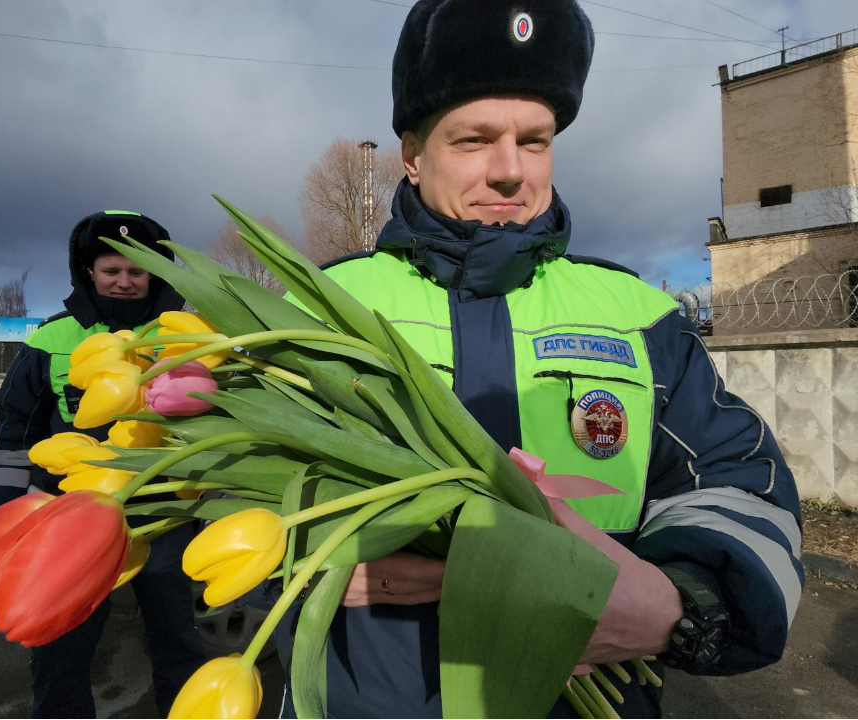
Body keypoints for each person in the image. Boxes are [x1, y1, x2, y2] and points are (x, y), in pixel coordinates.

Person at [273, 2, 803, 718]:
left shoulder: (637, 314)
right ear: (411, 152)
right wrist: (308, 555)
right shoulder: (322, 305)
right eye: (473, 139)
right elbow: (231, 496)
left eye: (535, 140)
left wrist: (683, 601)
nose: (509, 171)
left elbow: (741, 481)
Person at [0, 210, 206, 719]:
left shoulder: (185, 337)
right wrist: (0, 513)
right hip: (68, 516)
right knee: (62, 650)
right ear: (89, 272)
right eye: (110, 270)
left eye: (136, 271)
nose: (124, 281)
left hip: (162, 516)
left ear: (154, 275)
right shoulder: (51, 339)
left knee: (178, 646)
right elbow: (14, 432)